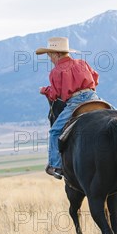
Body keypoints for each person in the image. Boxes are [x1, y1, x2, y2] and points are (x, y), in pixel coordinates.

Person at [37, 37, 100, 179]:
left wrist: (45, 90)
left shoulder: (56, 71)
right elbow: (95, 78)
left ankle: (56, 165)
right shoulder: (82, 63)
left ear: (57, 54)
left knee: (54, 132)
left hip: (75, 103)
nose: (50, 58)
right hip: (93, 98)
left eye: (50, 55)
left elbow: (55, 94)